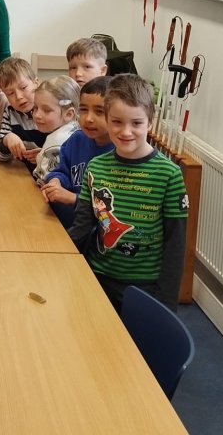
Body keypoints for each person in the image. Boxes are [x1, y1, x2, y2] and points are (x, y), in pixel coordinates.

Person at [67, 74, 189, 314]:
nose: (126, 132)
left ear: (150, 122)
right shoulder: (96, 167)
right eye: (117, 122)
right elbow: (82, 225)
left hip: (144, 286)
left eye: (136, 123)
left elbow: (175, 245)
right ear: (107, 119)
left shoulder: (169, 174)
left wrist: (167, 303)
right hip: (98, 276)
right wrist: (60, 259)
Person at [42, 76, 113, 227]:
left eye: (99, 111)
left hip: (93, 233)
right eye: (84, 110)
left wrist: (73, 198)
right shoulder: (76, 139)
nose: (88, 119)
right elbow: (62, 170)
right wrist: (55, 181)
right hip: (61, 223)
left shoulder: (120, 153)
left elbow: (112, 208)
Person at [0, 56, 45, 165]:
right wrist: (7, 139)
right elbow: (1, 156)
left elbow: (68, 153)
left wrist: (46, 156)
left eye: (23, 87)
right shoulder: (9, 112)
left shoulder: (51, 109)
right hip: (23, 171)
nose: (18, 96)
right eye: (10, 93)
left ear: (36, 83)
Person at [30, 75, 80, 185]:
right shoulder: (76, 130)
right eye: (35, 108)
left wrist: (47, 155)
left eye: (46, 110)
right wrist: (42, 155)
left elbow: (43, 179)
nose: (37, 115)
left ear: (69, 114)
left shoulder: (56, 140)